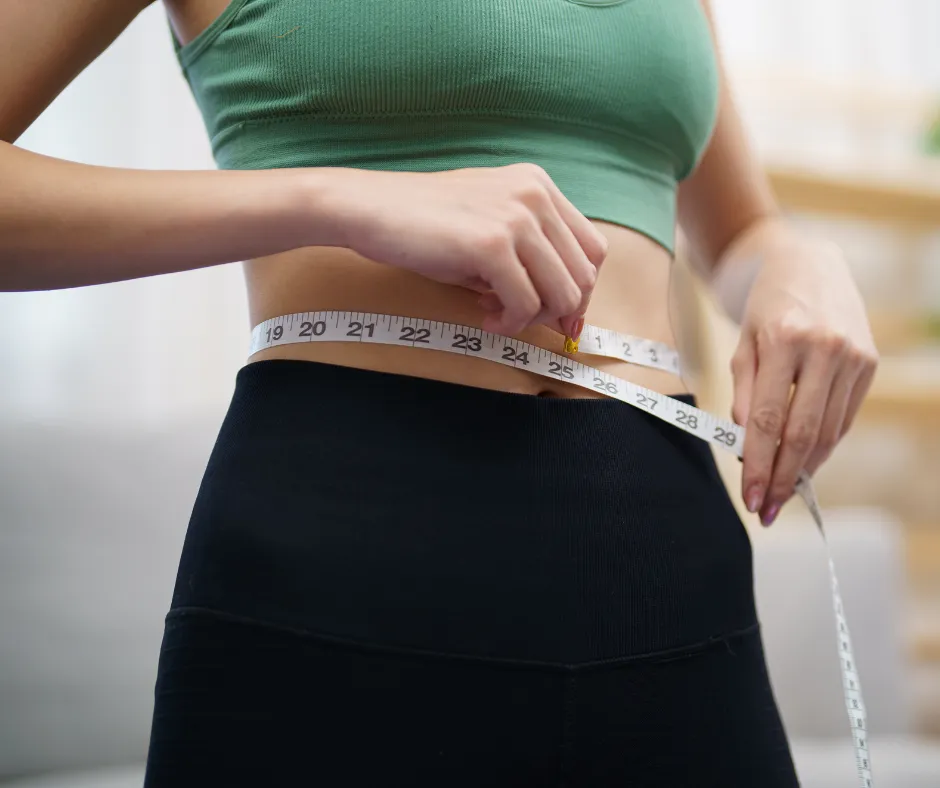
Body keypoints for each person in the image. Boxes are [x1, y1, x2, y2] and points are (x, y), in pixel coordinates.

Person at [0, 0, 878, 785]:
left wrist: (801, 260)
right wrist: (339, 198)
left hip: (670, 569)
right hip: (340, 573)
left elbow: (738, 231)